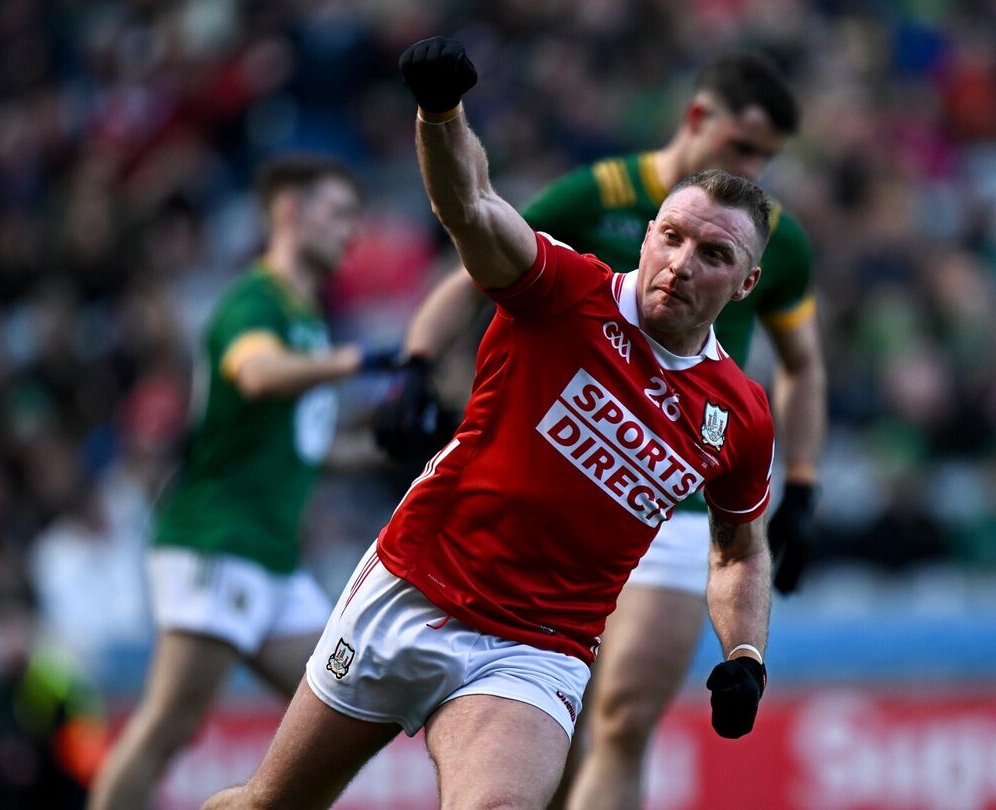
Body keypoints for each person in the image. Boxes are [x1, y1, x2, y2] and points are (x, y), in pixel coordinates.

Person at [203, 37, 775, 810]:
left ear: (746, 283)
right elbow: (469, 206)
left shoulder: (737, 413)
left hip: (538, 648)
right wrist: (441, 112)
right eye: (671, 236)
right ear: (647, 233)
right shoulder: (563, 290)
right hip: (417, 585)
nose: (681, 262)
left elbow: (737, 551)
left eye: (713, 253)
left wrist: (744, 651)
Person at [373, 50, 824, 810]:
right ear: (696, 120)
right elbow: (481, 245)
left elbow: (803, 364)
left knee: (621, 720)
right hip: (564, 488)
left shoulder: (774, 238)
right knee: (559, 729)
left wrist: (802, 484)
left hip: (673, 499)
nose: (756, 167)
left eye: (766, 157)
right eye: (744, 147)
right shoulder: (601, 193)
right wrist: (417, 358)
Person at [87, 155, 387, 810]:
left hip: (271, 559)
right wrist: (354, 361)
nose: (349, 232)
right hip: (219, 541)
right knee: (168, 727)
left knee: (349, 714)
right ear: (289, 212)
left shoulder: (305, 317)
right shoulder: (256, 301)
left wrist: (387, 449)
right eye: (337, 214)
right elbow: (255, 373)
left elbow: (299, 447)